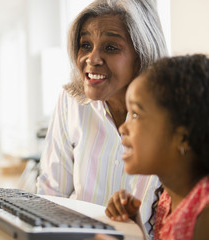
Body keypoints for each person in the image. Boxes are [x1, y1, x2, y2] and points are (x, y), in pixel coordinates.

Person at [36, 0, 168, 238]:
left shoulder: (170, 116)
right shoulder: (71, 102)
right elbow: (50, 194)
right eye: (85, 44)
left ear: (142, 54)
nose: (91, 58)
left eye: (110, 47)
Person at [104, 54, 209, 240]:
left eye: (136, 115)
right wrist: (134, 223)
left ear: (183, 138)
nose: (123, 127)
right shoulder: (168, 200)